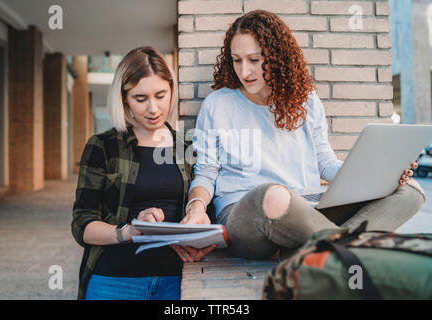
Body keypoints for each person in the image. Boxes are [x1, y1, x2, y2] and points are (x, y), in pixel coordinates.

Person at [182, 10, 426, 260]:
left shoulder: (306, 101)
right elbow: (206, 172)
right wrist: (196, 207)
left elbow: (325, 162)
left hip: (308, 208)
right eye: (237, 60)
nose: (244, 72)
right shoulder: (218, 105)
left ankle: (308, 249)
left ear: (277, 57)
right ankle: (346, 249)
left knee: (410, 191)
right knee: (272, 194)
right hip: (247, 213)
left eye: (254, 60)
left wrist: (379, 175)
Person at [71, 46, 214, 300]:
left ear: (172, 89)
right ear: (124, 98)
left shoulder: (189, 147)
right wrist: (129, 231)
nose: (153, 108)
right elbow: (82, 224)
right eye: (140, 98)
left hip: (178, 281)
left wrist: (201, 233)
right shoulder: (102, 146)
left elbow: (205, 209)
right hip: (114, 282)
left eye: (161, 95)